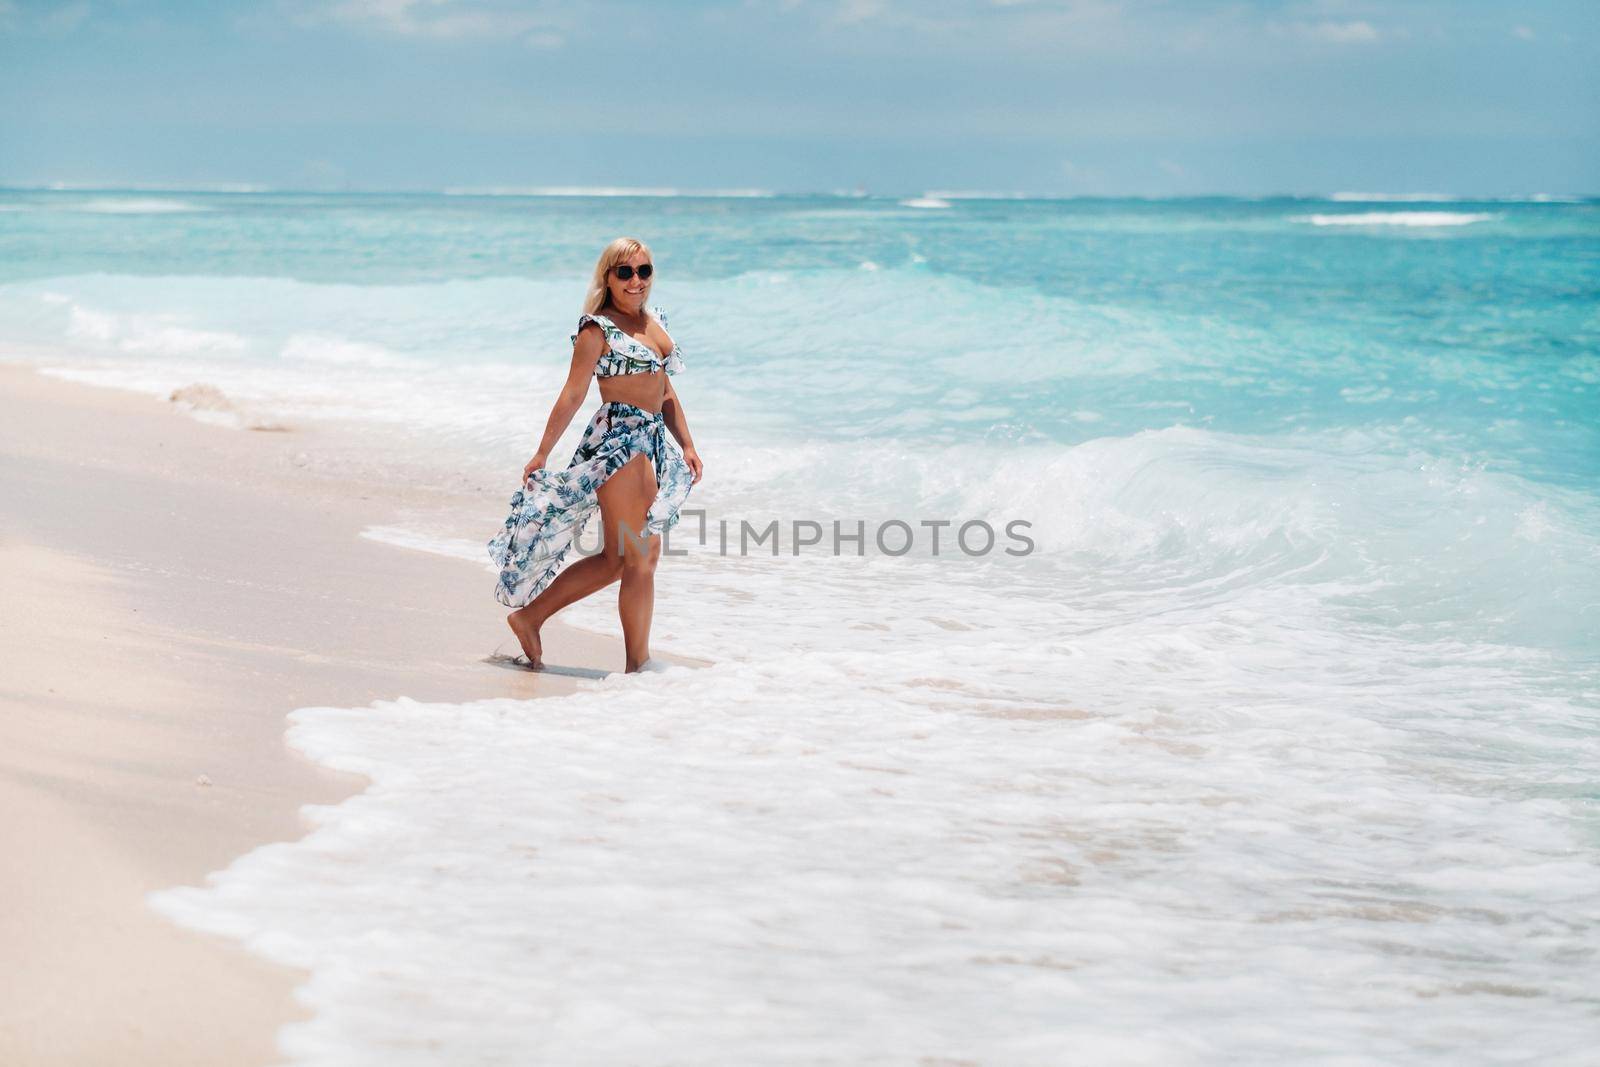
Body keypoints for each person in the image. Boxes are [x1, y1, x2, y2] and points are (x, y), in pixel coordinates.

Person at [488, 237, 703, 673]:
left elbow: (664, 390)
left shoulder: (654, 323)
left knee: (621, 560)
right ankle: (638, 668)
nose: (635, 281)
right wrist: (542, 452)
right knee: (640, 557)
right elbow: (572, 394)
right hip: (620, 444)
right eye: (624, 272)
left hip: (653, 442)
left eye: (643, 271)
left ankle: (529, 618)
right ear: (607, 276)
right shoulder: (596, 329)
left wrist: (688, 443)